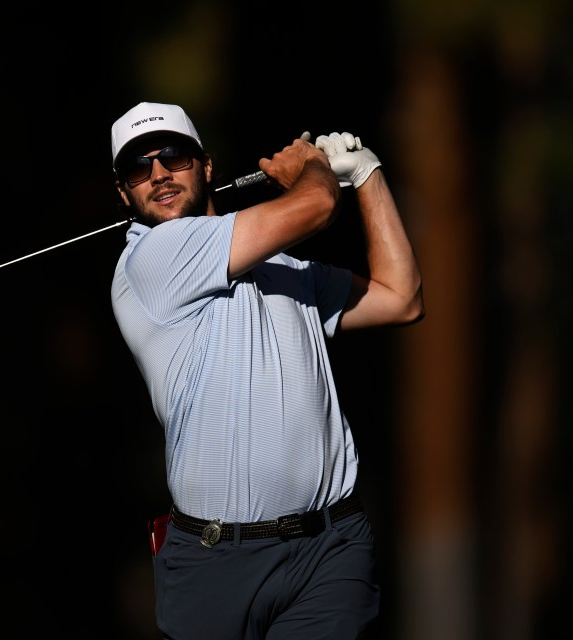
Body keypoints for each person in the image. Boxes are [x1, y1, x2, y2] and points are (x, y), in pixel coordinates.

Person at [109, 102, 424, 639]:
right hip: (214, 565)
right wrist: (312, 167)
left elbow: (401, 298)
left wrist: (368, 174)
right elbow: (316, 206)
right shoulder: (152, 259)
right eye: (139, 169)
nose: (159, 174)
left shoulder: (284, 270)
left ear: (206, 167)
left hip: (328, 552)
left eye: (173, 157)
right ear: (124, 193)